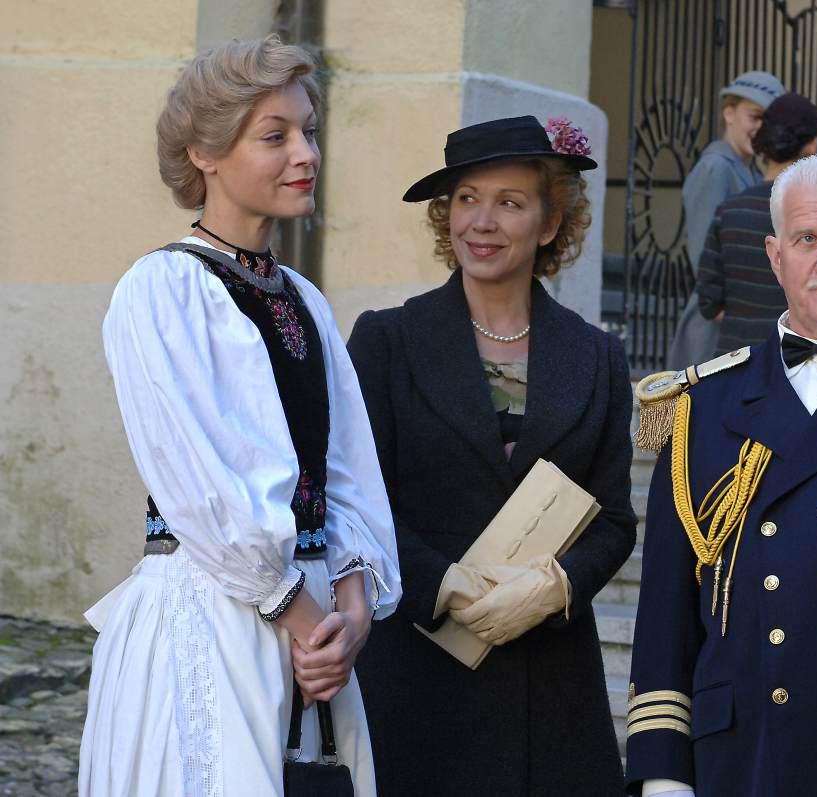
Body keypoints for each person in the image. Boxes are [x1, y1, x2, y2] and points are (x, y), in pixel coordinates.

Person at [79, 36, 402, 797]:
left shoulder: (305, 301)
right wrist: (307, 624)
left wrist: (351, 611)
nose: (306, 153)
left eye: (309, 131)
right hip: (218, 619)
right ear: (205, 152)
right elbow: (200, 484)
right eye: (275, 136)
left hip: (317, 632)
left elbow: (346, 468)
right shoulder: (159, 291)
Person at [346, 115, 637, 797]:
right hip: (422, 674)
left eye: (509, 202)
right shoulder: (388, 341)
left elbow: (615, 519)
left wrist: (557, 585)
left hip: (551, 687)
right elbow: (358, 500)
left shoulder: (596, 356)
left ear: (547, 222)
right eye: (467, 199)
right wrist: (440, 582)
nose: (482, 220)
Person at [625, 153, 817, 797]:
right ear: (775, 256)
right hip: (741, 754)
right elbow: (667, 610)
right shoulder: (704, 403)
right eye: (808, 240)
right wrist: (664, 774)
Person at [668, 70, 785, 369]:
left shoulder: (751, 171)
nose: (761, 128)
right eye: (755, 116)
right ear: (729, 113)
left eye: (768, 121)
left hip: (739, 323)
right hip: (716, 328)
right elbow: (705, 262)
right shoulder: (716, 168)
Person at [695, 92, 817, 353]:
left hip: (734, 360)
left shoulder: (730, 210)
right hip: (796, 358)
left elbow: (708, 302)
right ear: (811, 145)